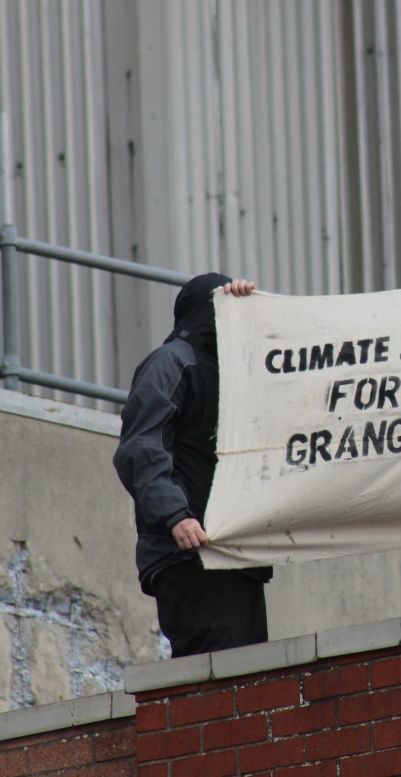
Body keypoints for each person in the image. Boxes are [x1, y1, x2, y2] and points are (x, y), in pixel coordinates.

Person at [113, 273, 272, 657]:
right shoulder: (171, 363)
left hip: (236, 558)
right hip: (189, 556)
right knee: (218, 686)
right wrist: (177, 516)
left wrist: (255, 308)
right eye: (225, 309)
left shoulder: (235, 376)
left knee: (254, 684)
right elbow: (141, 446)